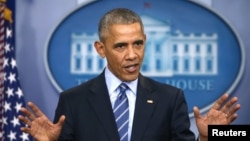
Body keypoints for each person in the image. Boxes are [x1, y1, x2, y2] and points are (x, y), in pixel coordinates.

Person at [18, 8, 240, 141]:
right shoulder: (73, 101)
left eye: (138, 44)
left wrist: (206, 138)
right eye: (121, 46)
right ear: (100, 49)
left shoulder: (170, 99)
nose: (133, 55)